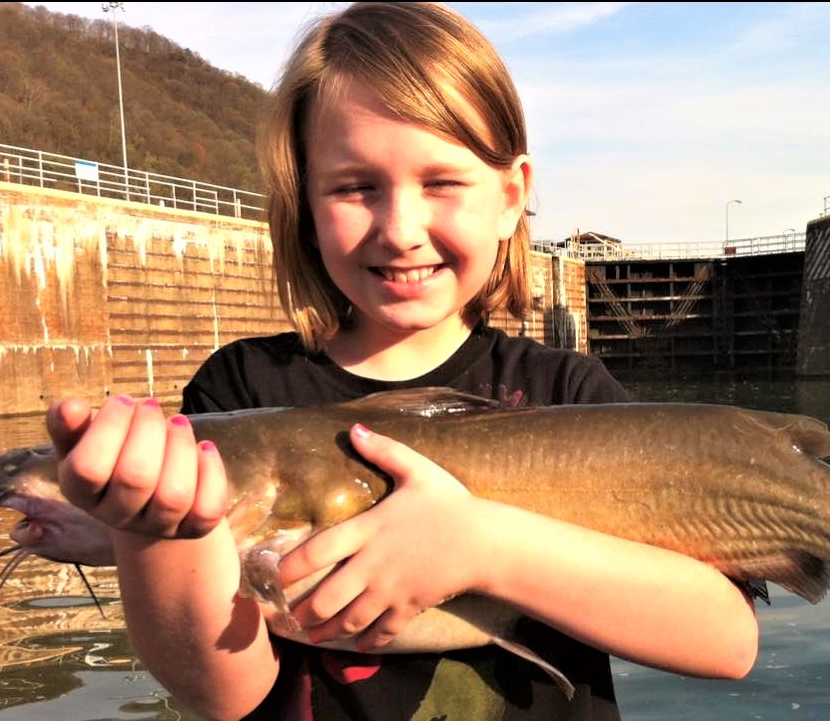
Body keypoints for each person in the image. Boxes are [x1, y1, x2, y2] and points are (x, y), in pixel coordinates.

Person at [46, 3, 759, 720]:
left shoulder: (571, 392)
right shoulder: (240, 392)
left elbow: (727, 639)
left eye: (441, 182)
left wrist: (484, 545)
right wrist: (155, 531)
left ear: (511, 199)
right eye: (356, 187)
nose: (400, 229)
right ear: (305, 201)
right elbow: (222, 691)